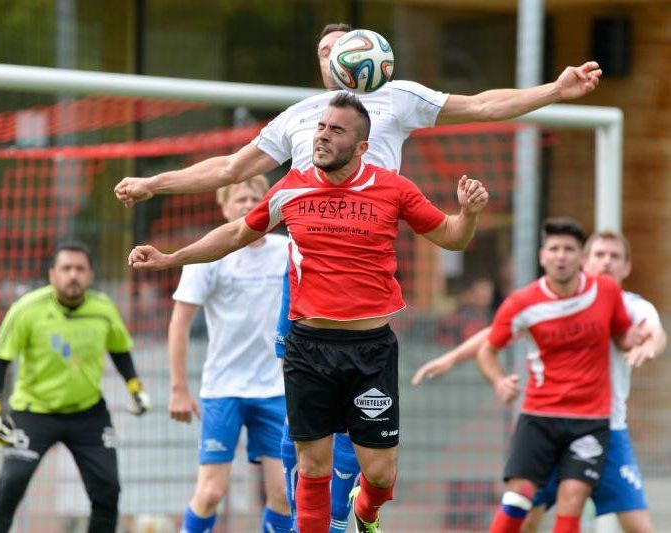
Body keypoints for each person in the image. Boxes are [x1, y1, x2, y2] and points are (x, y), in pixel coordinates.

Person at [115, 22, 602, 530]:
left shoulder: (399, 102)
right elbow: (229, 172)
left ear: (373, 60)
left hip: (370, 278)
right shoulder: (302, 123)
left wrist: (554, 90)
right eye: (325, 51)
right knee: (304, 441)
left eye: (344, 48)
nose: (335, 59)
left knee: (374, 463)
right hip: (306, 290)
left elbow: (480, 104)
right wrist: (155, 184)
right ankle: (310, 520)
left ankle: (357, 511)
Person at [127, 93, 489, 533]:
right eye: (321, 127)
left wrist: (468, 214)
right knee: (311, 467)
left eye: (336, 131)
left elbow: (451, 237)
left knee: (379, 474)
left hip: (370, 349)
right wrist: (170, 258)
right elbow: (237, 232)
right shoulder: (292, 186)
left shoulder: (394, 189)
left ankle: (366, 513)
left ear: (360, 147)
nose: (322, 135)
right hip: (309, 346)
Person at [411, 230, 666, 532]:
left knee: (638, 524)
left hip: (607, 428)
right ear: (584, 260)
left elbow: (654, 331)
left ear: (627, 267)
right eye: (600, 255)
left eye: (615, 257)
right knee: (527, 515)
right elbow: (500, 331)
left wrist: (650, 345)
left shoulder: (632, 304)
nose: (607, 262)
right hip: (552, 423)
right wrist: (452, 357)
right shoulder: (557, 302)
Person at [476, 218, 646, 533]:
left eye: (569, 249)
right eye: (554, 248)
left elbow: (621, 333)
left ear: (581, 258)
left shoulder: (606, 291)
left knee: (572, 499)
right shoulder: (522, 303)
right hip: (539, 416)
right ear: (542, 256)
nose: (561, 255)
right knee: (518, 499)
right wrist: (499, 380)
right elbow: (487, 351)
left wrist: (633, 340)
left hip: (590, 420)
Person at [0, 242, 150, 533]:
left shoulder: (103, 309)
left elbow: (119, 350)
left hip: (88, 414)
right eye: (66, 268)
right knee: (10, 485)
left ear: (91, 276)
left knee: (107, 490)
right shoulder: (26, 309)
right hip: (33, 413)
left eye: (80, 269)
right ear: (52, 274)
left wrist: (135, 387)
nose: (73, 275)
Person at [168, 175, 292, 533]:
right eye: (239, 198)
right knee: (210, 492)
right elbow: (180, 322)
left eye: (256, 197)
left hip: (275, 390)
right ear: (223, 207)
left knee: (283, 494)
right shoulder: (208, 254)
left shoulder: (287, 251)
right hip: (223, 390)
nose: (247, 204)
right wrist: (178, 387)